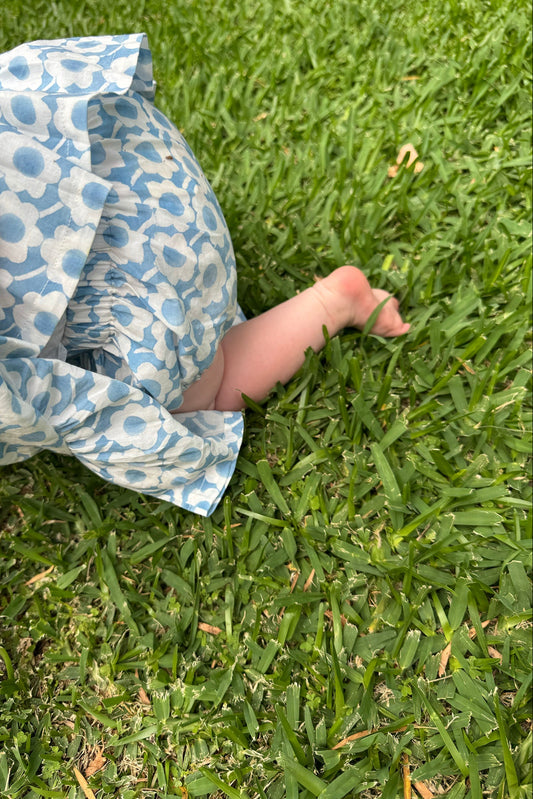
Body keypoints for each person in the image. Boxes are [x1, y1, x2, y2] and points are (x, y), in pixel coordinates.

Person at [0, 34, 408, 516]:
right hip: (134, 166)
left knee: (204, 389)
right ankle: (199, 297)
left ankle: (334, 301)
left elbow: (43, 406)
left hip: (134, 287)